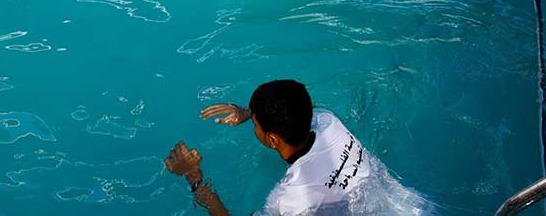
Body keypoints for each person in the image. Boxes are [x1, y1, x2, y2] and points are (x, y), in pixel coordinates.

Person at [165, 80, 432, 216]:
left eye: (255, 124)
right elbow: (300, 108)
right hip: (413, 208)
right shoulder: (328, 121)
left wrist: (193, 176)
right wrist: (251, 113)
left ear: (272, 139)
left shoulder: (289, 198)